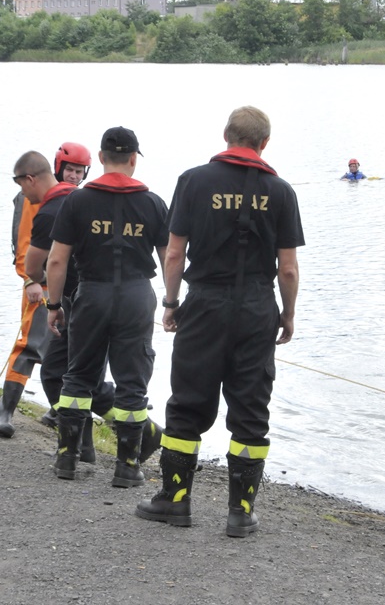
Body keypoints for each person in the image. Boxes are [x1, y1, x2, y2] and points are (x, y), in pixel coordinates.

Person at [135, 105, 305, 538]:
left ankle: (175, 502)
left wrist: (171, 302)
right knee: (251, 407)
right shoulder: (281, 191)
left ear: (226, 136)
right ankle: (240, 512)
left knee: (189, 401)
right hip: (256, 306)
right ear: (264, 143)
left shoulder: (194, 180)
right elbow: (287, 267)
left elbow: (174, 253)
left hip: (206, 302)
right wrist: (286, 315)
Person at [45, 126, 168, 486]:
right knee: (132, 382)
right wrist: (173, 301)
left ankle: (67, 459)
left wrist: (54, 304)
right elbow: (170, 257)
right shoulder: (153, 203)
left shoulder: (77, 201)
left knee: (79, 375)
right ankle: (127, 468)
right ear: (133, 159)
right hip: (135, 295)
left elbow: (56, 261)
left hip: (91, 293)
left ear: (100, 159)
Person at [0, 142, 90, 438]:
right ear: (58, 168)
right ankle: (4, 410)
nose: (73, 176)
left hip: (69, 287)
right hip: (40, 284)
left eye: (78, 171)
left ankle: (56, 409)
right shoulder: (32, 198)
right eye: (69, 170)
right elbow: (23, 243)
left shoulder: (76, 200)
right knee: (31, 344)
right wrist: (29, 280)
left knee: (65, 350)